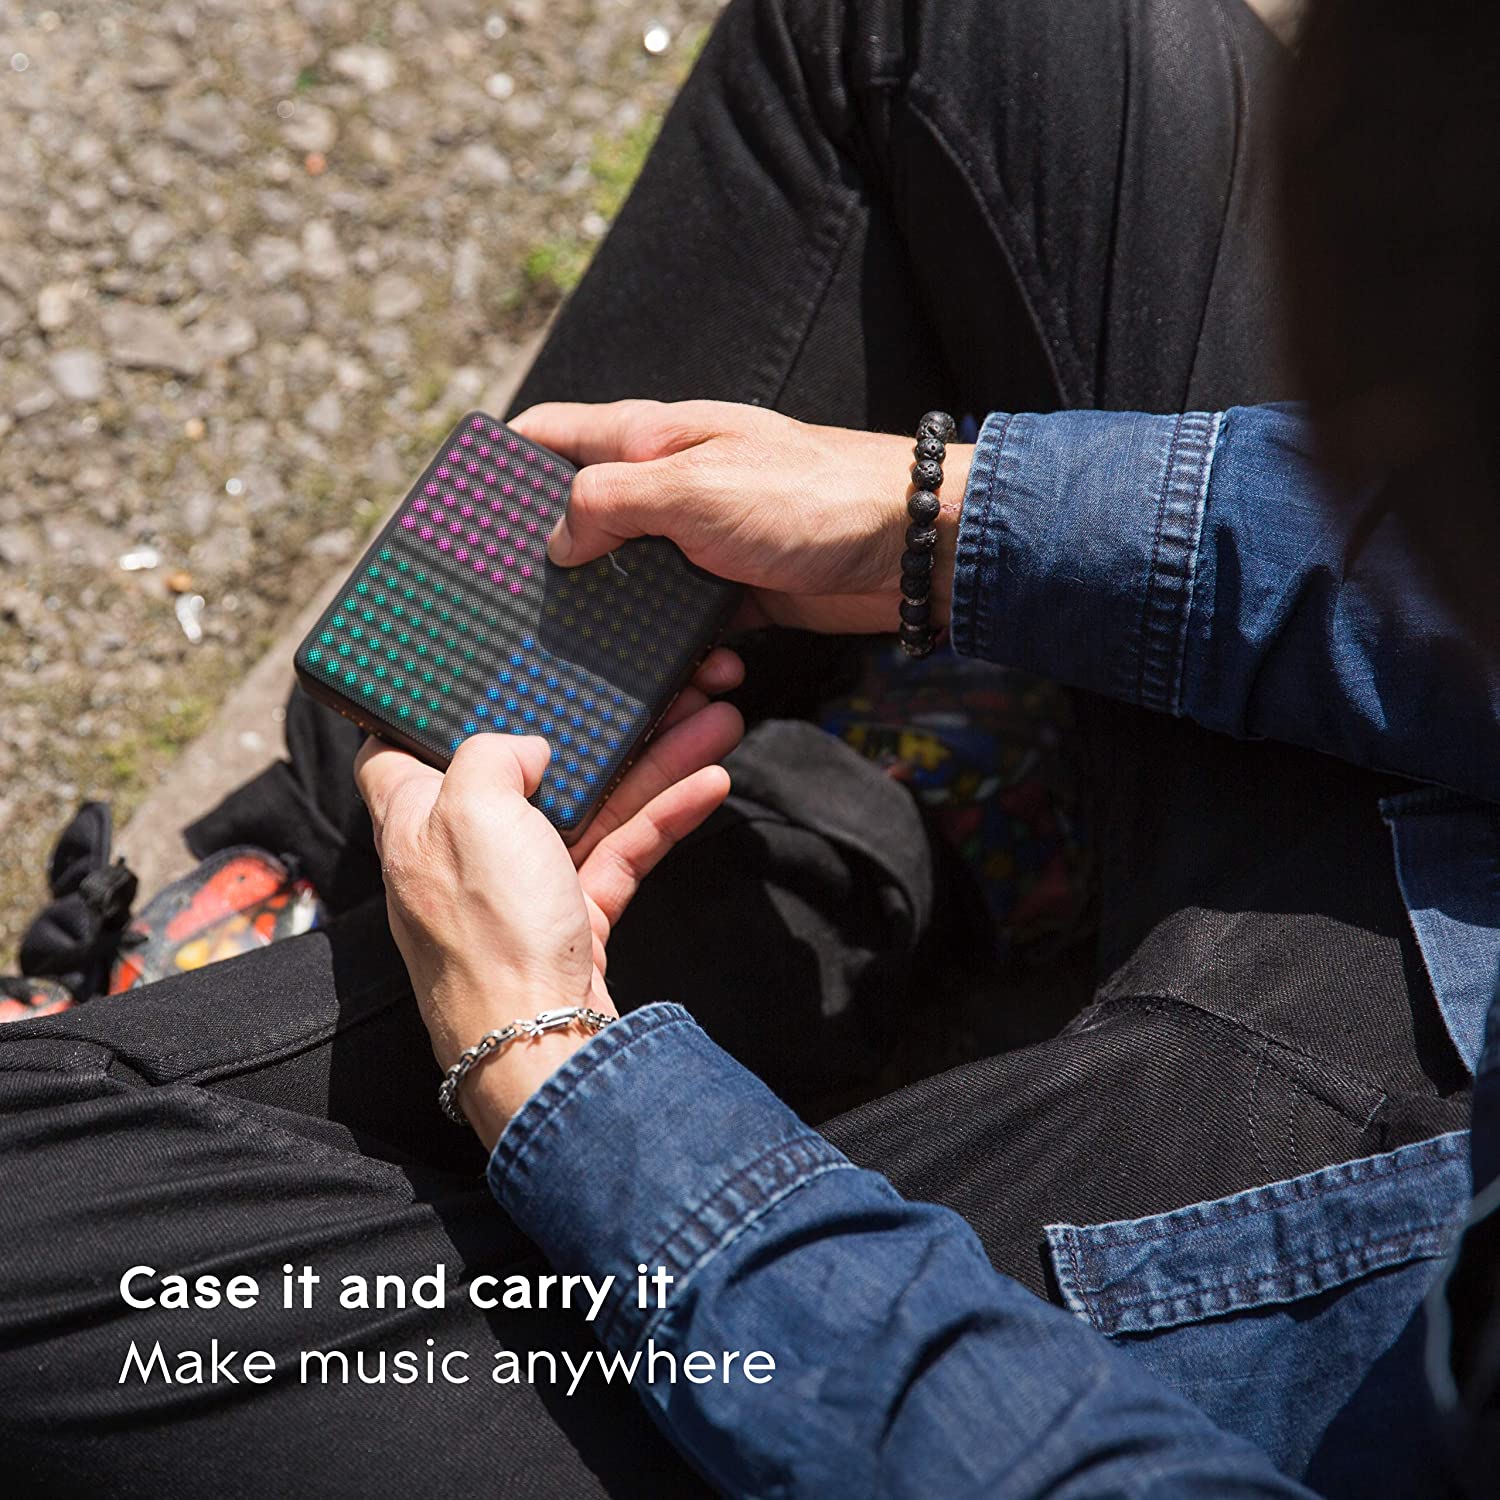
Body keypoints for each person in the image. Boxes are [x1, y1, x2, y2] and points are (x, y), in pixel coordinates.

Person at [2, 0, 1496, 1494]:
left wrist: (555, 1070)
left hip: (1317, 1272)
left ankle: (867, 846)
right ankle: (348, 879)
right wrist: (957, 519)